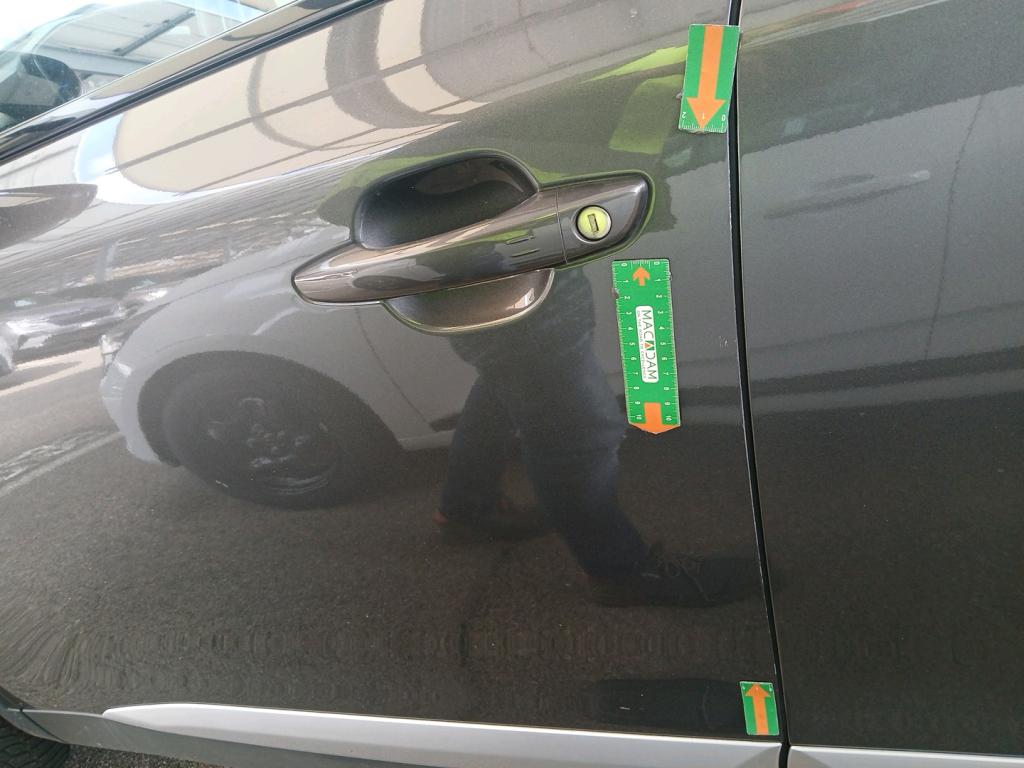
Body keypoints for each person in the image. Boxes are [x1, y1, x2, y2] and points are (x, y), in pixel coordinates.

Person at [436, 269, 756, 607]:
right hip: (508, 278)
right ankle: (620, 570)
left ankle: (466, 507)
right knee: (575, 429)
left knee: (508, 376)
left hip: (501, 276)